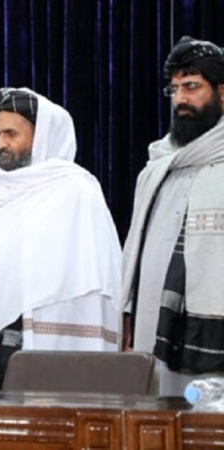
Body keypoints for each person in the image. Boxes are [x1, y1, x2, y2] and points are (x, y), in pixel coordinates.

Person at [0, 88, 121, 389]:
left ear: (43, 137)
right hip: (0, 335)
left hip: (58, 337)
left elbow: (100, 280)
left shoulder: (77, 191)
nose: (1, 144)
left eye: (11, 134)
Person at [122, 36, 224, 396]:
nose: (180, 99)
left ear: (222, 92)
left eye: (192, 87)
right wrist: (127, 313)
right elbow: (136, 254)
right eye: (175, 89)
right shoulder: (156, 168)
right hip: (152, 332)